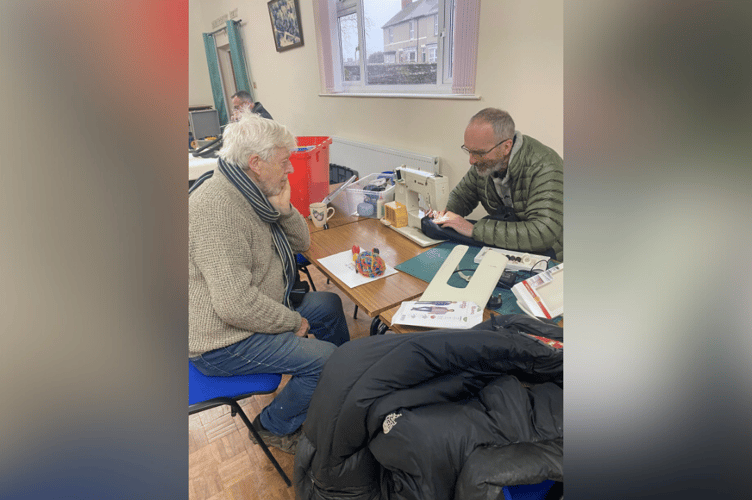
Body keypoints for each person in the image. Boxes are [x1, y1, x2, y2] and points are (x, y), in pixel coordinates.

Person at [189, 109, 350, 454]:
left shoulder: (248, 191)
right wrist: (293, 322)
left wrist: (286, 208)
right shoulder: (217, 209)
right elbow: (235, 305)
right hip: (222, 339)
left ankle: (343, 385)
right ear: (256, 163)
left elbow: (302, 243)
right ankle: (271, 427)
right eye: (284, 162)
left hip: (255, 307)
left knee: (329, 304)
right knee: (325, 359)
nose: (291, 168)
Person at [428, 108, 563, 261]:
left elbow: (541, 233)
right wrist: (444, 213)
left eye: (479, 153)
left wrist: (473, 230)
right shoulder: (486, 165)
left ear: (506, 146)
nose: (471, 161)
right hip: (510, 248)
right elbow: (462, 196)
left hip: (552, 256)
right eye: (469, 151)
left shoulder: (545, 167)